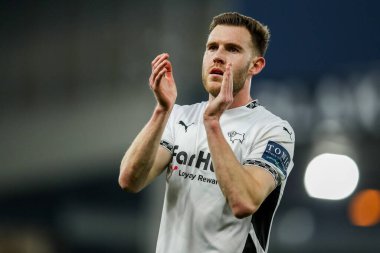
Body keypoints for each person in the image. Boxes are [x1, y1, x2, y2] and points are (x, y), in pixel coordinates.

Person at [119, 12, 295, 253]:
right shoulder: (179, 117)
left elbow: (244, 201)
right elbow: (130, 180)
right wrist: (162, 110)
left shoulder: (273, 131)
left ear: (256, 65)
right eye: (212, 47)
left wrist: (212, 122)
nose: (218, 57)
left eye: (232, 49)